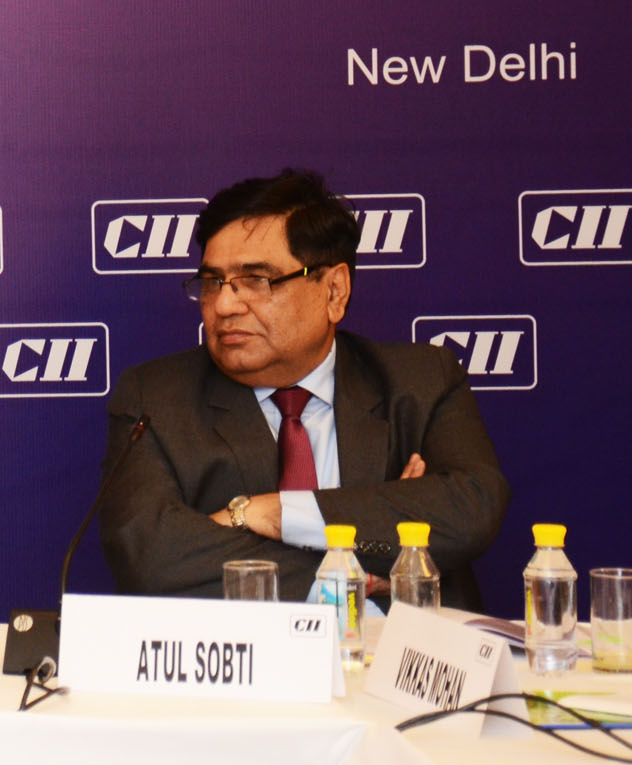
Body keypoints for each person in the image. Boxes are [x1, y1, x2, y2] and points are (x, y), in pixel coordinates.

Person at [100, 170, 507, 607]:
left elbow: (471, 509)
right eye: (212, 282)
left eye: (257, 280)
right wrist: (363, 557)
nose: (224, 304)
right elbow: (149, 556)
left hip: (406, 645)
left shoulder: (421, 382)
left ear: (334, 292)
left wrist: (268, 513)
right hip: (251, 651)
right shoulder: (155, 398)